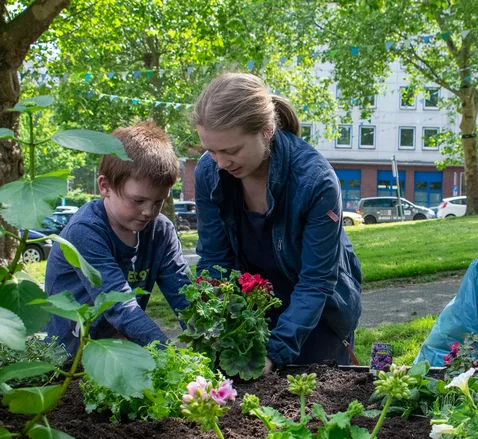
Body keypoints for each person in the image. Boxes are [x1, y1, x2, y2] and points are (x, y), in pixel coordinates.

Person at [192, 73, 362, 372]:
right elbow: (215, 260)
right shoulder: (208, 173)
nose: (220, 163)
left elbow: (317, 281)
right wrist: (215, 325)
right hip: (254, 310)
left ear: (266, 131)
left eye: (231, 150)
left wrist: (273, 354)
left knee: (315, 403)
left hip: (318, 316)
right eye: (211, 150)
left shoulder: (316, 181)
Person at [44, 121, 191, 356]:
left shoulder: (160, 231)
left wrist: (210, 340)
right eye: (138, 200)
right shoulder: (86, 231)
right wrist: (169, 355)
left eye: (158, 202)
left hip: (118, 354)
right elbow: (120, 307)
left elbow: (183, 294)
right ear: (105, 186)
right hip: (68, 360)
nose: (148, 211)